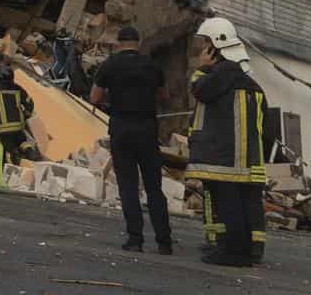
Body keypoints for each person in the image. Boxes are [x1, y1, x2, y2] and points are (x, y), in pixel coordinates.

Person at [187, 17, 268, 268]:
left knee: (228, 204)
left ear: (216, 46)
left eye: (205, 43)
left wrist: (202, 68)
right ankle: (242, 251)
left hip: (224, 155)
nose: (201, 49)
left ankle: (232, 254)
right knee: (242, 205)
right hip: (242, 155)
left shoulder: (222, 73)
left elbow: (200, 90)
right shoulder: (247, 80)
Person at [90, 25, 174, 255]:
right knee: (154, 187)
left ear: (119, 43)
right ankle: (164, 242)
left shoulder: (109, 65)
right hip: (147, 129)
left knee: (128, 185)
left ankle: (135, 240)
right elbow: (164, 96)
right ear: (138, 42)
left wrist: (114, 94)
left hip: (121, 128)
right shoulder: (153, 66)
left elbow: (94, 97)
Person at [0, 63, 35, 166]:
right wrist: (25, 115)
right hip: (19, 126)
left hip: (3, 130)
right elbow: (29, 103)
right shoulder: (18, 88)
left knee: (9, 148)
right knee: (22, 141)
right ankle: (29, 151)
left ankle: (16, 162)